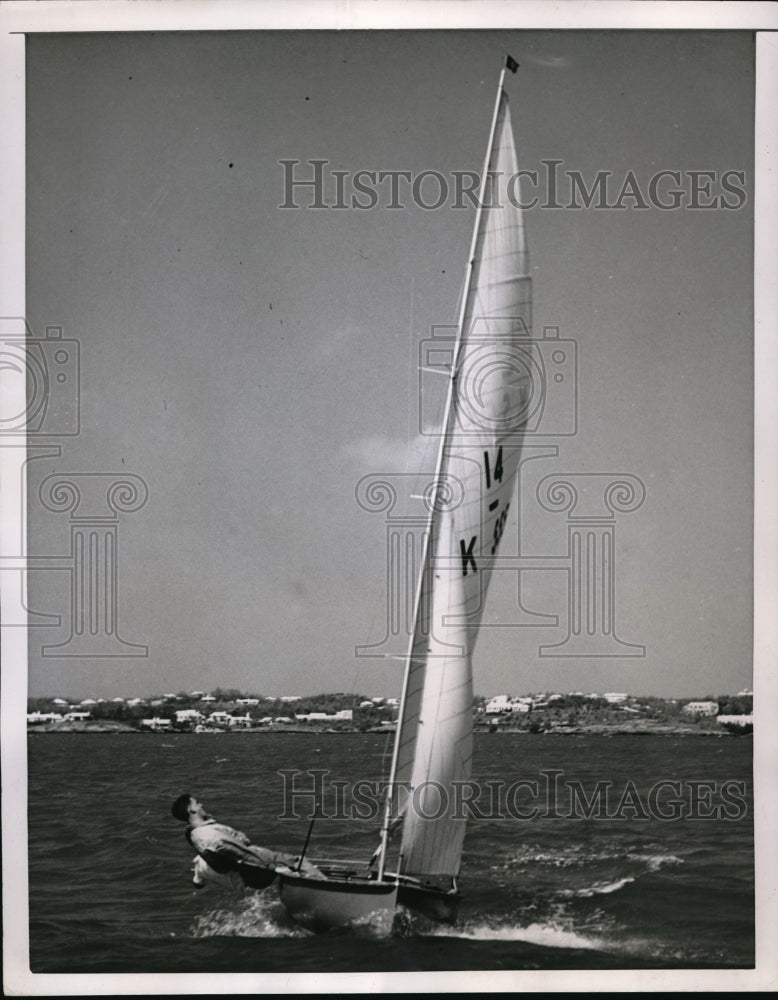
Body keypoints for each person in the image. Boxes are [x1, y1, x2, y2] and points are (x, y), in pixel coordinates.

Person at [171, 794, 325, 888]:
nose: (201, 804)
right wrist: (274, 869)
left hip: (252, 866)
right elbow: (242, 856)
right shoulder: (211, 837)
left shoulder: (194, 832)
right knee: (300, 861)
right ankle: (325, 887)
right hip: (256, 869)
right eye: (197, 803)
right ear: (191, 810)